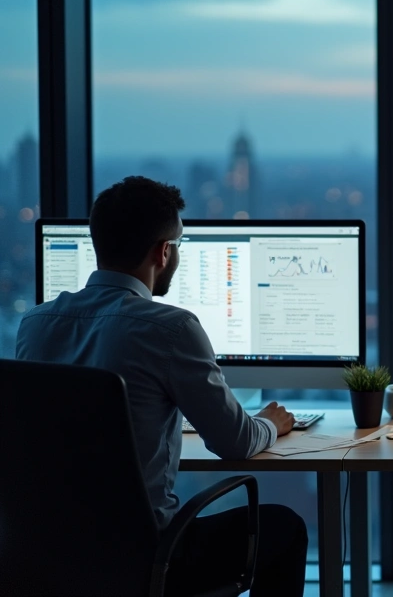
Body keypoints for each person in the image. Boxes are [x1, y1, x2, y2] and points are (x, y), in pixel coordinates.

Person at [16, 176, 308, 596]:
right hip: (145, 558)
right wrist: (267, 423)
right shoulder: (170, 329)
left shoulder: (35, 324)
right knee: (284, 527)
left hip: (44, 555)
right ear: (163, 251)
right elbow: (235, 443)